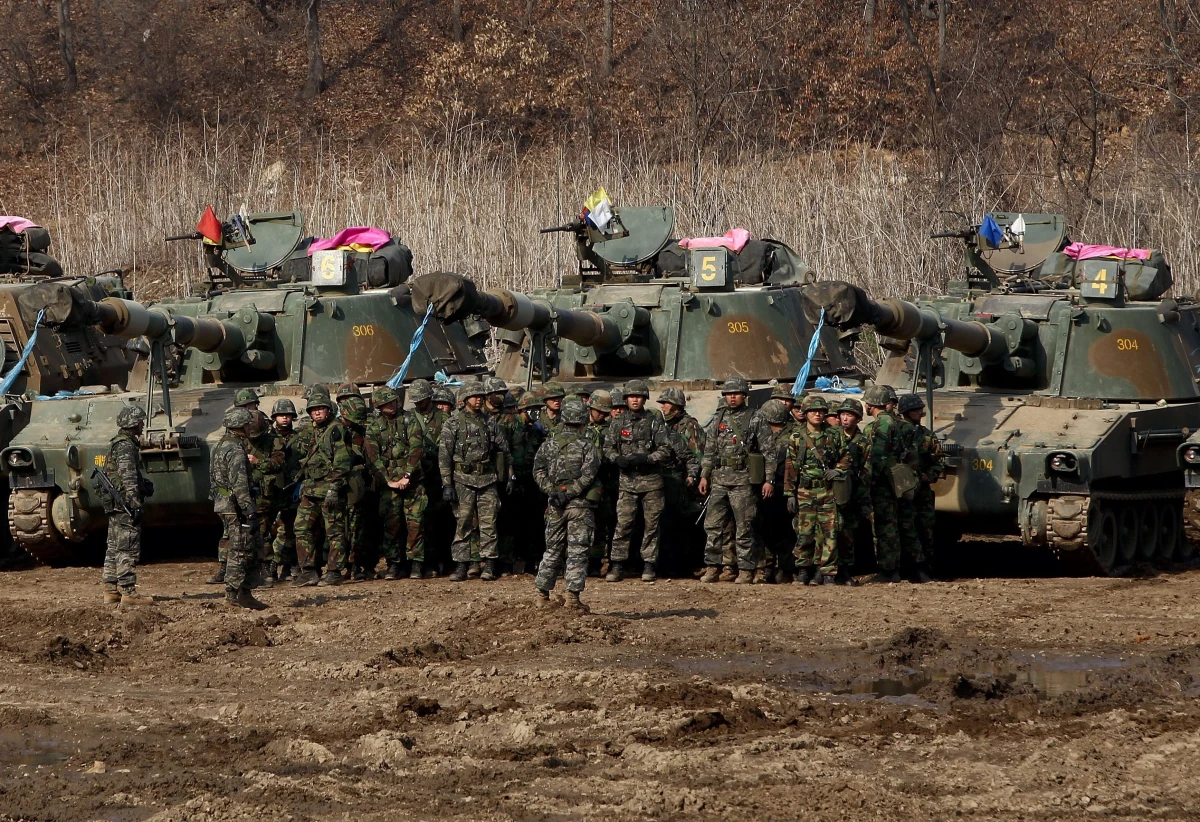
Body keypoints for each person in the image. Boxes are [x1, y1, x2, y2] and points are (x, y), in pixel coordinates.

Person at [698, 377, 776, 584]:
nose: (732, 397)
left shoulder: (755, 418)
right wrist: (704, 475)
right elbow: (709, 450)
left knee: (745, 527)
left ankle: (746, 569)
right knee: (713, 526)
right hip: (719, 480)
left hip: (743, 481)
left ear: (744, 395)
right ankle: (713, 566)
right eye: (728, 394)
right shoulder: (718, 418)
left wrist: (769, 479)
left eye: (736, 393)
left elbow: (768, 451)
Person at [439, 380, 513, 582]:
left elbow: (504, 451)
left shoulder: (490, 422)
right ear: (465, 399)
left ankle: (488, 564)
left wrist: (509, 475)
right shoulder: (452, 423)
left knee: (489, 523)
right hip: (462, 480)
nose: (479, 399)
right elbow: (444, 456)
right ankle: (462, 566)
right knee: (463, 523)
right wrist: (447, 484)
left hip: (487, 479)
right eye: (474, 396)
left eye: (481, 396)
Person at [533, 397, 601, 610]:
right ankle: (572, 598)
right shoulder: (588, 446)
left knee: (552, 549)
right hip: (579, 506)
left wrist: (552, 492)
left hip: (555, 505)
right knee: (577, 551)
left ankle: (542, 595)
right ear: (583, 420)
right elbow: (589, 475)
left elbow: (538, 471)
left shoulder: (548, 444)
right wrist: (570, 492)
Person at [603, 378, 672, 582]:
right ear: (626, 399)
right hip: (627, 482)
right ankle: (617, 564)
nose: (635, 400)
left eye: (639, 397)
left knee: (652, 525)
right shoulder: (618, 422)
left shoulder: (654, 420)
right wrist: (617, 459)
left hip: (651, 482)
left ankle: (649, 565)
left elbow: (665, 449)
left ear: (644, 399)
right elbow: (608, 448)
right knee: (623, 524)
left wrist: (648, 458)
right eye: (632, 396)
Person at [784, 394, 850, 585]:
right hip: (805, 491)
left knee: (830, 532)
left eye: (821, 411)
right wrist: (790, 494)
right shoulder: (797, 437)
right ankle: (804, 570)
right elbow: (791, 467)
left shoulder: (834, 434)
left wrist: (837, 471)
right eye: (813, 411)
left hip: (828, 491)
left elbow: (846, 456)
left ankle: (827, 572)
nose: (817, 415)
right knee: (804, 533)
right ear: (805, 413)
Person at [293, 385, 354, 587]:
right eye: (313, 409)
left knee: (334, 531)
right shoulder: (311, 432)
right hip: (311, 488)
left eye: (321, 408)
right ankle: (308, 570)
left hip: (329, 488)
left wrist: (334, 488)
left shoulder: (336, 430)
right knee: (301, 529)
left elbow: (343, 461)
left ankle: (335, 571)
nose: (317, 412)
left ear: (328, 409)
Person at [365, 385, 427, 579]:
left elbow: (416, 448)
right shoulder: (375, 426)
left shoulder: (409, 420)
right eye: (385, 403)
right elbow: (372, 456)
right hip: (389, 483)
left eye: (392, 401)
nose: (390, 406)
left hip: (413, 481)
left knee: (415, 523)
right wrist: (387, 480)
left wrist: (407, 475)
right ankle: (394, 564)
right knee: (391, 525)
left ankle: (415, 563)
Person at [210, 407, 267, 610]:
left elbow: (213, 480)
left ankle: (245, 593)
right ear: (241, 426)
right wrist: (248, 510)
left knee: (246, 547)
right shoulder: (235, 450)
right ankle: (233, 595)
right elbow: (240, 484)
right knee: (240, 550)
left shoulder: (218, 447)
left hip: (224, 504)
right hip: (237, 507)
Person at [98, 404, 154, 606]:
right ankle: (129, 592)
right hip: (124, 504)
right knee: (127, 547)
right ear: (132, 424)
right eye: (139, 421)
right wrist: (135, 505)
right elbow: (127, 477)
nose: (142, 425)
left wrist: (143, 484)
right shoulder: (126, 446)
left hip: (116, 503)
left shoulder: (119, 443)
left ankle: (110, 590)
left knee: (113, 546)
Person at [657, 387, 704, 576]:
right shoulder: (664, 425)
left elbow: (697, 455)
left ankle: (687, 565)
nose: (663, 407)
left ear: (676, 406)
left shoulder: (689, 426)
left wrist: (693, 477)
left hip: (684, 483)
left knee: (685, 525)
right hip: (667, 483)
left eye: (666, 403)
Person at [862, 384, 907, 584]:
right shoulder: (891, 421)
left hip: (883, 483)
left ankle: (888, 570)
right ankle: (891, 568)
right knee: (888, 525)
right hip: (889, 480)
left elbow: (877, 457)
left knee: (884, 526)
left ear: (871, 404)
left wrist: (868, 481)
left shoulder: (882, 424)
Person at [897, 393, 941, 582]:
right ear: (906, 412)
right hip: (901, 491)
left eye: (921, 410)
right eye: (916, 410)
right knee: (903, 530)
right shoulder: (896, 433)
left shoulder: (927, 436)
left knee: (925, 531)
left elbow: (937, 462)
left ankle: (924, 568)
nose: (920, 413)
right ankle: (903, 567)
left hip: (921, 491)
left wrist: (928, 476)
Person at [410, 379, 451, 575]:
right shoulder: (409, 418)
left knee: (439, 520)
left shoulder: (443, 418)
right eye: (416, 401)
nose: (419, 404)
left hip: (437, 474)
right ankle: (422, 562)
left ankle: (440, 562)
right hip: (417, 475)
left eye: (422, 400)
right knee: (419, 521)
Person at [337, 383, 374, 580]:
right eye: (344, 400)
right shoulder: (335, 430)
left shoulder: (366, 428)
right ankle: (343, 565)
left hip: (364, 483)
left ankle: (360, 564)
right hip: (342, 483)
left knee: (361, 526)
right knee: (341, 528)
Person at [834, 398, 871, 584]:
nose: (845, 418)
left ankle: (845, 571)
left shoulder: (863, 441)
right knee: (828, 532)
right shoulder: (832, 436)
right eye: (843, 414)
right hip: (832, 492)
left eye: (849, 415)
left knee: (847, 533)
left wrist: (862, 495)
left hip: (853, 493)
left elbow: (868, 468)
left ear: (857, 418)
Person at [757, 399, 793, 583]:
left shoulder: (785, 440)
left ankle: (782, 569)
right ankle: (772, 568)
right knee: (771, 531)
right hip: (773, 490)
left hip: (780, 490)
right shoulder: (777, 436)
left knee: (782, 532)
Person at [268, 398, 302, 581]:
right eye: (281, 415)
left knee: (290, 529)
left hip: (292, 489)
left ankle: (289, 566)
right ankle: (271, 567)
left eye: (288, 415)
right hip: (272, 489)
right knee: (270, 531)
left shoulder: (298, 438)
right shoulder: (268, 439)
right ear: (275, 417)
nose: (284, 419)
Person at [585, 391, 618, 575]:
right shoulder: (580, 427)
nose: (602, 415)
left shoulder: (610, 429)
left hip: (605, 483)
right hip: (583, 485)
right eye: (598, 410)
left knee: (602, 524)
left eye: (605, 412)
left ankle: (596, 562)